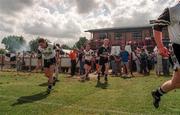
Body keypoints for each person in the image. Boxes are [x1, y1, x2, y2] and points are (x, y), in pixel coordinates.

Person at [151, 1, 180, 108]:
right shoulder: (172, 10)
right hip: (178, 48)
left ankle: (157, 93)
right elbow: (157, 26)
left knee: (175, 83)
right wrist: (160, 46)